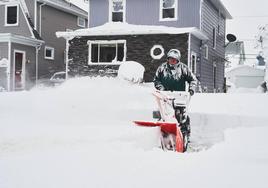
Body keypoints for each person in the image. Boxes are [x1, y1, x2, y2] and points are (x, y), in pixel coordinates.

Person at [153, 49, 197, 142]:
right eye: (170, 59)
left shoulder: (183, 68)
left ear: (178, 60)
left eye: (174, 59)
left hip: (180, 98)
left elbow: (193, 80)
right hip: (165, 97)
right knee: (163, 115)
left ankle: (185, 135)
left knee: (182, 117)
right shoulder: (162, 68)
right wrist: (161, 89)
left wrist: (191, 90)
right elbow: (156, 80)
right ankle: (162, 135)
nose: (172, 61)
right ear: (167, 59)